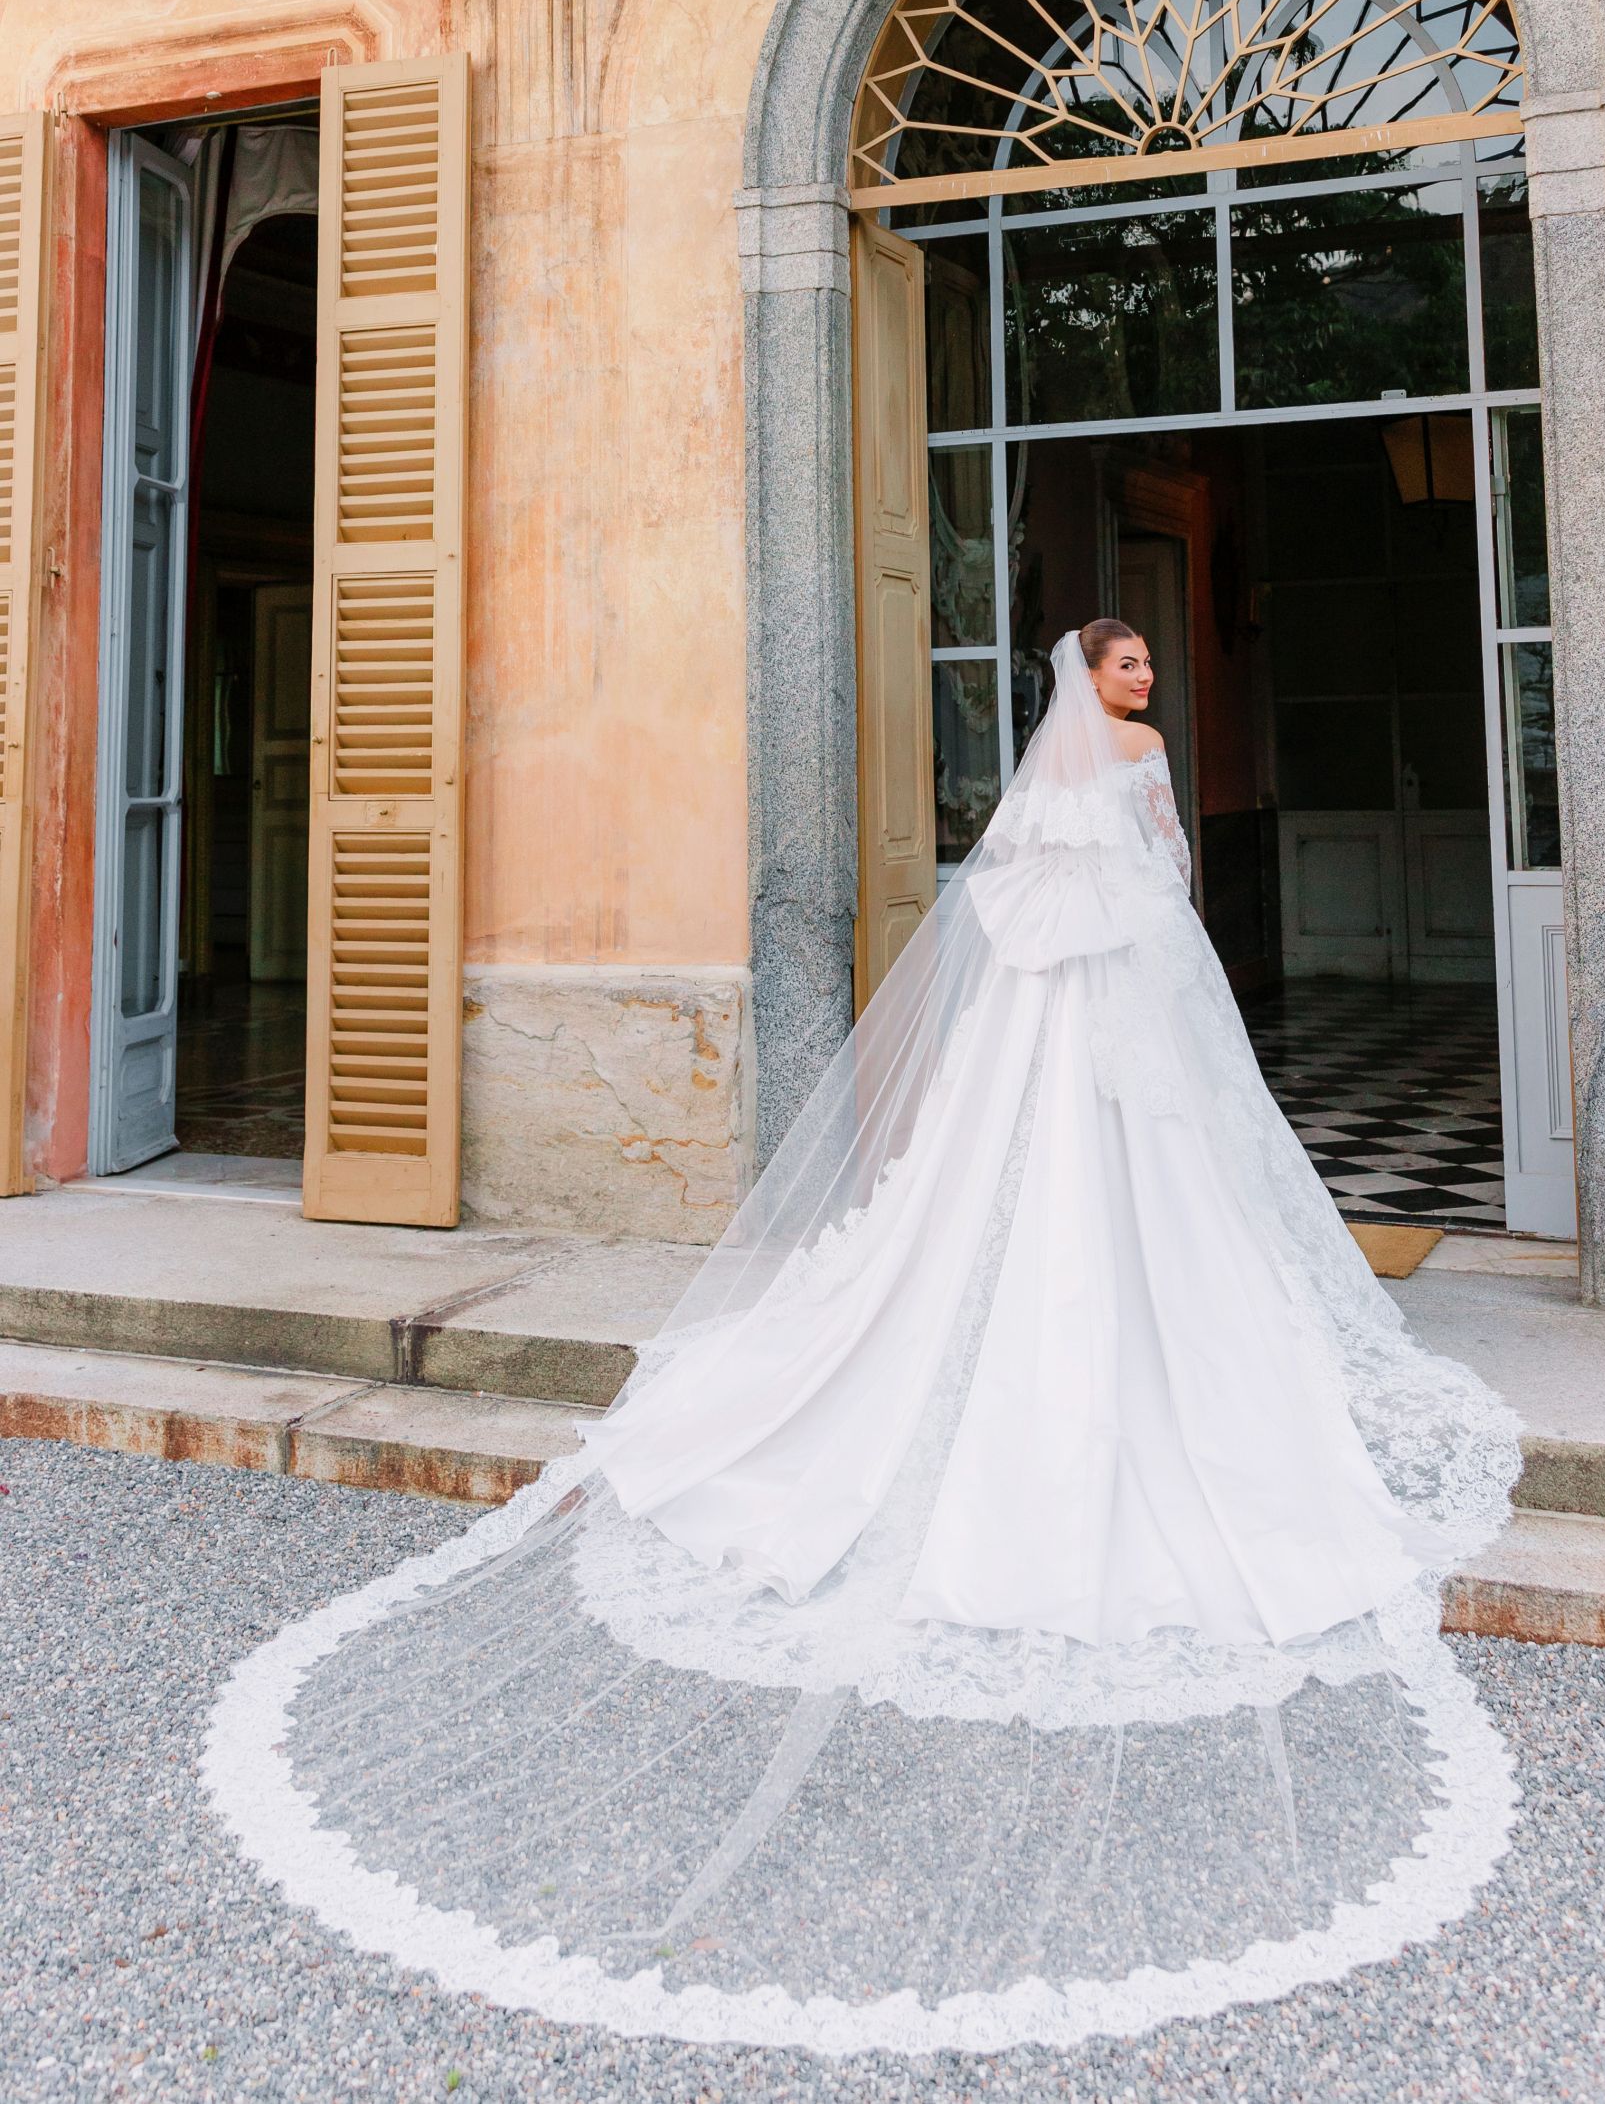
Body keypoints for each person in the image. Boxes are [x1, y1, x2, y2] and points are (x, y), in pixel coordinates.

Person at [207, 623, 1521, 2058]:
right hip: (1118, 993)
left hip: (1040, 1003)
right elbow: (1168, 882)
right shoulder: (1138, 757)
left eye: (1145, 661)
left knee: (1001, 1186)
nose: (1142, 678)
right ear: (1102, 684)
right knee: (1139, 1181)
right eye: (1128, 661)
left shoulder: (1040, 769)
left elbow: (1009, 878)